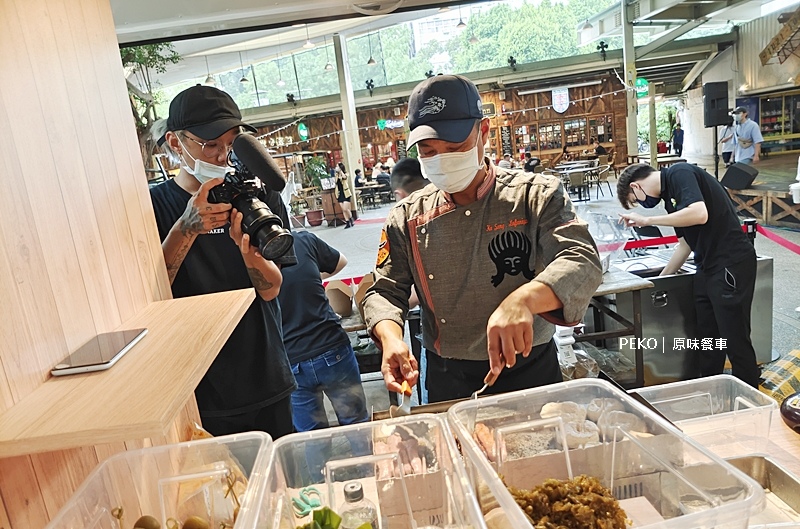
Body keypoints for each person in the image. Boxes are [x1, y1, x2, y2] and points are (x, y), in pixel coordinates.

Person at [362, 75, 603, 403]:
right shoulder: (406, 217)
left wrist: (525, 299)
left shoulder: (535, 196)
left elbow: (582, 260)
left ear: (484, 133)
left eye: (455, 147)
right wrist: (391, 338)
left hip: (530, 367)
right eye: (429, 151)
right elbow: (385, 291)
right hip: (449, 375)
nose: (443, 159)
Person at [149, 85, 297, 438]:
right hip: (201, 387)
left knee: (283, 486)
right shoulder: (153, 207)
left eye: (231, 144)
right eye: (210, 144)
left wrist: (251, 256)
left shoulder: (259, 198)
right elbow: (150, 294)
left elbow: (272, 289)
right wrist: (185, 229)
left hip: (267, 375)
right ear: (175, 143)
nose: (222, 155)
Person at [617, 163, 759, 388]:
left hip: (730, 262)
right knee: (708, 339)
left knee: (734, 338)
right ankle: (711, 391)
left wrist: (648, 221)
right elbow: (684, 246)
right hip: (706, 266)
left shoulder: (680, 173)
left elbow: (699, 214)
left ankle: (750, 396)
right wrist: (657, 281)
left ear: (636, 185)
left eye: (635, 199)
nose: (642, 206)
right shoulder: (669, 199)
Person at [278, 230, 369, 433]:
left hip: (292, 360)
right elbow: (341, 261)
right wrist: (311, 277)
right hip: (332, 348)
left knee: (310, 437)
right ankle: (367, 465)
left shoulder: (250, 259)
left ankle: (320, 467)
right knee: (356, 426)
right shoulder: (302, 240)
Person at [335, 162, 354, 229]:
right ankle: (347, 222)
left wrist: (340, 172)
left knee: (346, 208)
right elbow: (335, 182)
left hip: (346, 193)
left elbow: (344, 177)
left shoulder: (346, 173)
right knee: (343, 209)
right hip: (339, 193)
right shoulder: (336, 175)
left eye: (337, 166)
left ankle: (351, 218)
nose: (336, 168)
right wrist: (337, 174)